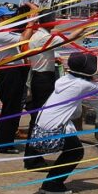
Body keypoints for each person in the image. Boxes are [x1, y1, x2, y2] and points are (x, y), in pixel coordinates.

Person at [31, 52, 98, 194]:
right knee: (76, 152)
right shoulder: (81, 84)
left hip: (42, 127)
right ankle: (52, 185)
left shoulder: (65, 79)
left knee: (72, 151)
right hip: (53, 129)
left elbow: (75, 111)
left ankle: (51, 183)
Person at [0, 5, 35, 153]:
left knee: (14, 108)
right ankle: (4, 144)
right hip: (9, 73)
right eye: (8, 17)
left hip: (15, 71)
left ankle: (6, 142)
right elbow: (24, 39)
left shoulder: (7, 32)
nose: (11, 19)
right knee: (10, 109)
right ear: (0, 19)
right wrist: (31, 23)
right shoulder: (0, 34)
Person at [23, 10, 64, 169]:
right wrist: (89, 28)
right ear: (49, 22)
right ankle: (32, 158)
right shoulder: (45, 37)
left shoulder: (37, 35)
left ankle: (33, 156)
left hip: (38, 78)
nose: (56, 22)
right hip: (43, 79)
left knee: (37, 118)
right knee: (38, 119)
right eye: (54, 19)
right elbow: (70, 38)